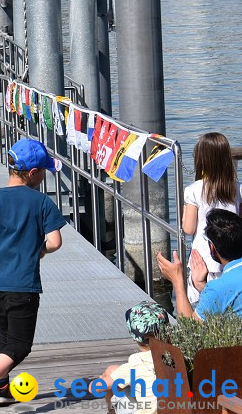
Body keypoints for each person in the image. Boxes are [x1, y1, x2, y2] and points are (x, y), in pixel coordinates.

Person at [0, 138, 66, 414]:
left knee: (6, 333)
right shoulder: (42, 202)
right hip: (22, 283)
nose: (44, 176)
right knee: (20, 344)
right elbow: (55, 242)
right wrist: (40, 251)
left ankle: (0, 390)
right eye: (44, 170)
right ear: (33, 173)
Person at [181, 132, 242, 304]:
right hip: (232, 256)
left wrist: (185, 211)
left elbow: (188, 228)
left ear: (201, 159)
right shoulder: (237, 189)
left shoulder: (194, 190)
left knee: (202, 305)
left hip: (203, 258)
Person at [158, 208, 242, 319]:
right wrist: (202, 286)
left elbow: (191, 330)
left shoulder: (218, 288)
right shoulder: (219, 289)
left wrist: (177, 281)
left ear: (212, 248)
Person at [91, 300, 169, 414]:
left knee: (111, 373)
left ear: (135, 338)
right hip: (175, 407)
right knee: (114, 372)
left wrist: (100, 379)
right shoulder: (178, 356)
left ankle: (111, 411)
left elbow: (95, 389)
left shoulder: (135, 365)